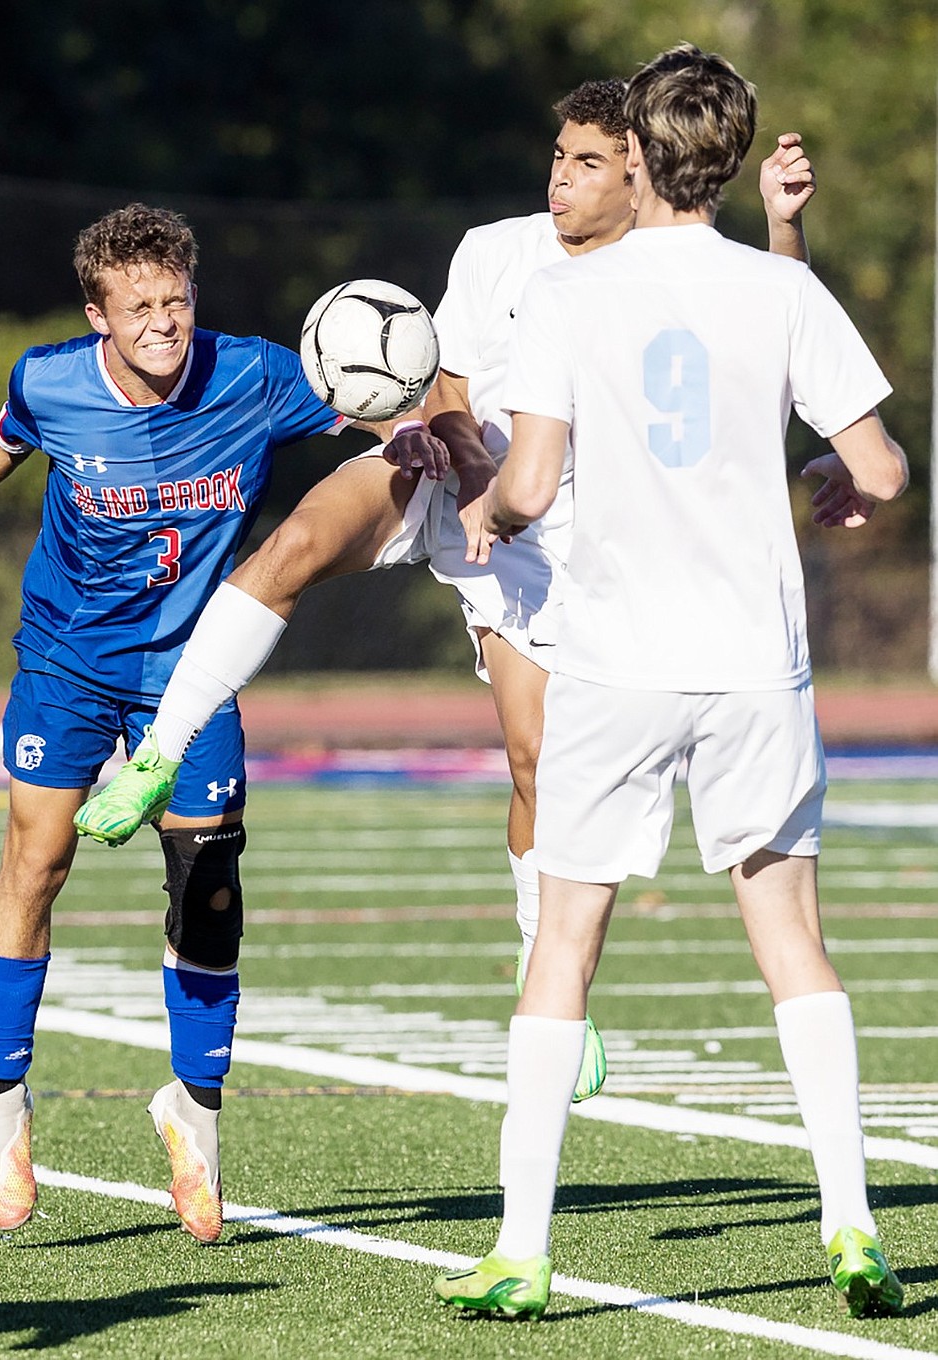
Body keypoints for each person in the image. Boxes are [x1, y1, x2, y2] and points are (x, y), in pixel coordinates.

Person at [72, 83, 819, 1109]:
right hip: (452, 475)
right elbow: (451, 383)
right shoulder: (493, 247)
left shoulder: (669, 275)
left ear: (638, 172)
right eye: (556, 156)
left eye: (587, 162)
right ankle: (161, 749)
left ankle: (544, 970)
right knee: (294, 542)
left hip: (553, 538)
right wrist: (447, 453)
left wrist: (783, 227)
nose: (559, 178)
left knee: (535, 764)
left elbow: (773, 332)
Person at [432, 43, 908, 1322]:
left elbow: (528, 487)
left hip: (617, 663)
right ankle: (852, 1223)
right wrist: (825, 481)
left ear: (634, 156)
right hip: (755, 663)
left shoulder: (566, 296)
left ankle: (521, 1251)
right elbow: (877, 468)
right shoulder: (778, 288)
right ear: (735, 159)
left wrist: (487, 503)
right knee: (791, 943)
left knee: (564, 952)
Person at [0, 202, 442, 1241]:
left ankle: (195, 1113)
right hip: (67, 661)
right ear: (99, 314)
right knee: (36, 861)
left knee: (210, 885)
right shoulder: (49, 380)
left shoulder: (258, 376)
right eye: (138, 306)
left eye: (175, 301)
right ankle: (3, 1114)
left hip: (191, 670)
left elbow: (373, 402)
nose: (162, 323)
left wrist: (418, 431)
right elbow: (1, 440)